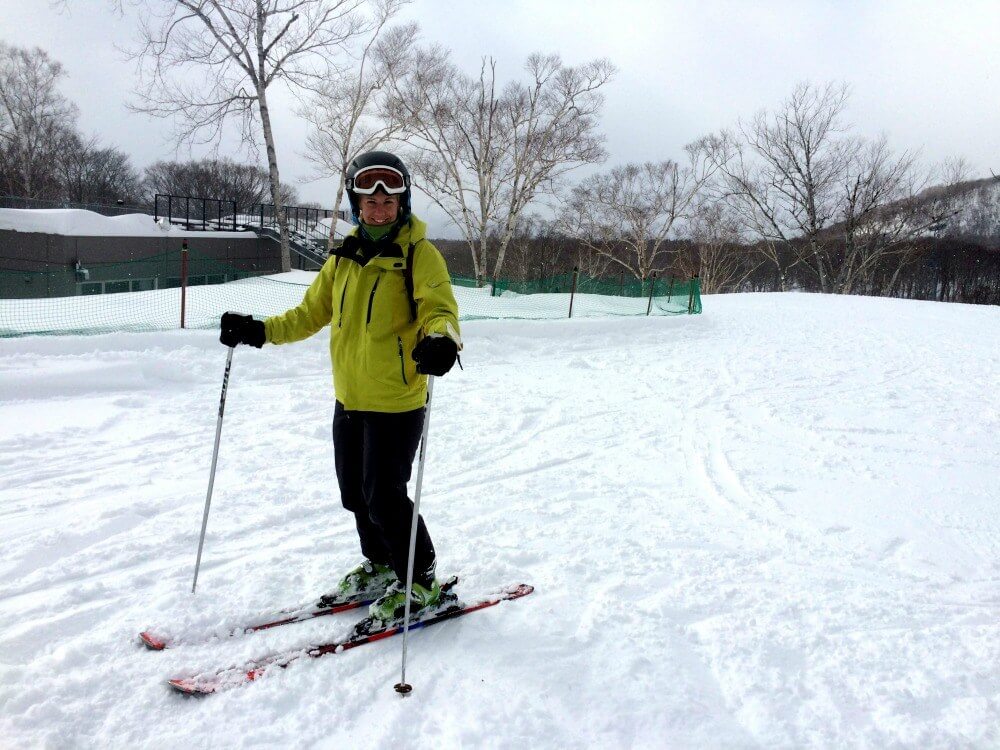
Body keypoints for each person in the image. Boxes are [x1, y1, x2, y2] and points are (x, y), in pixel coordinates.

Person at [219, 150, 461, 625]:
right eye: (369, 198)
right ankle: (381, 564)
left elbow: (441, 310)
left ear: (402, 202)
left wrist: (441, 341)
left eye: (389, 198)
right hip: (349, 397)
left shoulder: (418, 255)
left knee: (384, 494)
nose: (379, 207)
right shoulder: (344, 256)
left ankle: (421, 579)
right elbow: (310, 314)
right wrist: (259, 331)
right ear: (356, 203)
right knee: (354, 492)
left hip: (397, 399)